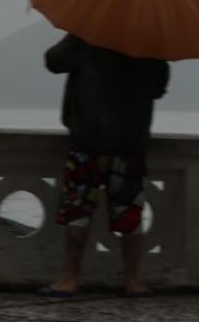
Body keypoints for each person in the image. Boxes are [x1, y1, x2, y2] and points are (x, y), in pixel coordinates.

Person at [39, 33, 169, 297]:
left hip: (88, 141)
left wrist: (73, 34)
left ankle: (69, 278)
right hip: (129, 143)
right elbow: (157, 87)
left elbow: (54, 62)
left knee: (78, 212)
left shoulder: (86, 34)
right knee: (129, 214)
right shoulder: (146, 41)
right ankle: (132, 281)